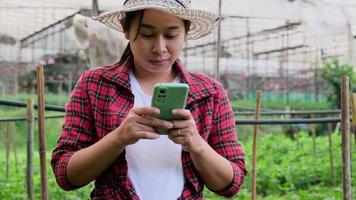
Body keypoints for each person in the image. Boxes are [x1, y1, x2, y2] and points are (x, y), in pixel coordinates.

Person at [51, 0, 247, 199]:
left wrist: (197, 145)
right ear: (125, 29)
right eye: (147, 34)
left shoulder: (210, 92)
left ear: (186, 32)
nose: (159, 48)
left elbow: (232, 184)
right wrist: (119, 137)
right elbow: (65, 174)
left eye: (171, 35)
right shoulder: (95, 85)